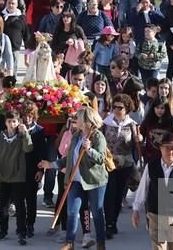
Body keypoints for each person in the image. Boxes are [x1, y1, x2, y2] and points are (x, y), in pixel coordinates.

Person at [39, 107, 108, 250]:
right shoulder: (76, 135)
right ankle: (69, 242)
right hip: (75, 181)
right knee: (72, 211)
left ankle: (101, 243)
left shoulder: (97, 137)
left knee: (96, 212)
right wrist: (51, 164)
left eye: (78, 117)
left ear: (86, 121)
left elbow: (101, 159)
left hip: (94, 182)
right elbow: (69, 159)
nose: (75, 119)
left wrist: (90, 150)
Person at [0, 109, 33, 246]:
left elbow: (28, 148)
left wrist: (25, 133)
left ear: (18, 122)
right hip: (3, 176)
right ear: (5, 122)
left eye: (14, 121)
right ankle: (3, 230)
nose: (12, 124)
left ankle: (21, 232)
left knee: (20, 205)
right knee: (3, 205)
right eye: (9, 121)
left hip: (18, 176)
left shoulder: (21, 137)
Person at [102, 94, 140, 239]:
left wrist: (139, 140)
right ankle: (109, 225)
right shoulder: (106, 123)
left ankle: (114, 221)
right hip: (109, 164)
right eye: (115, 107)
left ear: (127, 109)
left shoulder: (132, 125)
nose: (117, 110)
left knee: (118, 196)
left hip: (126, 165)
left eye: (120, 108)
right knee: (109, 195)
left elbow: (135, 147)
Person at [20, 101, 46, 239]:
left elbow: (42, 152)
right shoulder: (18, 129)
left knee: (31, 199)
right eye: (25, 115)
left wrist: (40, 171)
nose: (27, 118)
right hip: (19, 169)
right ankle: (21, 225)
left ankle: (30, 224)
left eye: (30, 115)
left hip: (33, 169)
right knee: (19, 198)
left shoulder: (39, 130)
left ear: (34, 115)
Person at [140, 96, 173, 165]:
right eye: (157, 108)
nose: (159, 110)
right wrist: (143, 151)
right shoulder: (148, 121)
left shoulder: (170, 123)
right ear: (153, 108)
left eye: (162, 108)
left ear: (166, 109)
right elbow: (141, 135)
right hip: (150, 157)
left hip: (165, 158)